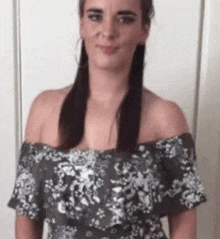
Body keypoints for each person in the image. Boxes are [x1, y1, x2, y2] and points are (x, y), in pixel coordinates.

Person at [8, 0, 207, 238]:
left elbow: (184, 225)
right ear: (81, 23)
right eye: (95, 16)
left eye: (125, 19)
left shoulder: (165, 117)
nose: (108, 32)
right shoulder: (45, 110)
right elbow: (27, 217)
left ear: (145, 29)